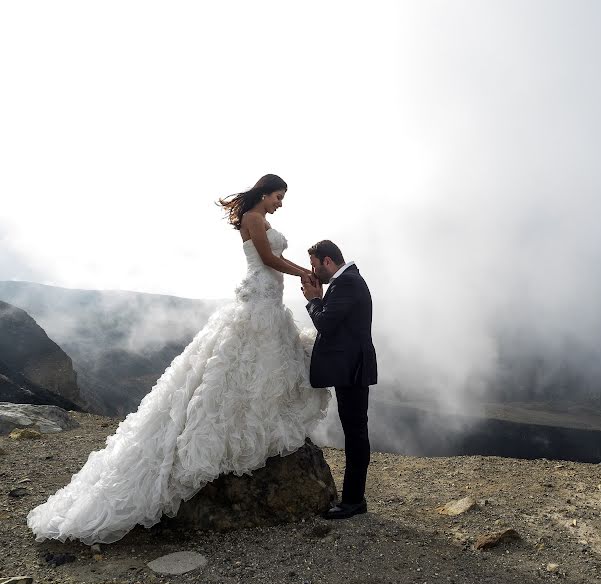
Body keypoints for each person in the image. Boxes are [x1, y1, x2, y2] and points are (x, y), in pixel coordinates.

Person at [27, 174, 330, 545]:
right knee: (243, 365)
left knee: (258, 367)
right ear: (265, 193)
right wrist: (305, 272)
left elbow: (275, 256)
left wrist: (302, 270)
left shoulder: (261, 218)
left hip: (268, 299)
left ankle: (260, 419)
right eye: (278, 196)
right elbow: (268, 258)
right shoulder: (253, 217)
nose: (280, 203)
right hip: (259, 299)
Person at [301, 240, 377, 519]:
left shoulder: (346, 283)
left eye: (314, 264)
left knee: (356, 434)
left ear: (328, 261)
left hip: (353, 371)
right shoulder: (348, 280)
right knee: (355, 431)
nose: (314, 270)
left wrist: (313, 299)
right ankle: (355, 498)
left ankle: (354, 501)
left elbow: (325, 324)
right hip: (352, 369)